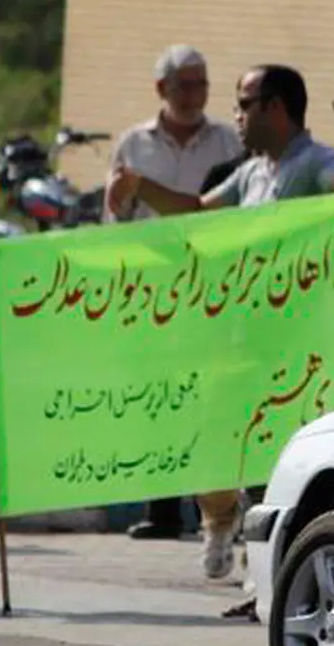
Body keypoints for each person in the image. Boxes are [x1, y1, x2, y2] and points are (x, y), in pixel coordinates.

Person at [107, 63, 334, 618]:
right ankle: (257, 577)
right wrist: (139, 188)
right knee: (241, 462)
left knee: (283, 474)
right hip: (243, 345)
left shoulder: (311, 163)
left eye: (245, 103)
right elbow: (195, 212)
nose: (235, 115)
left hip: (295, 356)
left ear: (276, 109)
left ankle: (278, 590)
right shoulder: (253, 173)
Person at [103, 44, 248, 582]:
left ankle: (220, 519)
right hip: (158, 294)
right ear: (161, 89)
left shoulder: (231, 142)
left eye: (202, 83)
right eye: (185, 84)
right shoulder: (133, 144)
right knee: (162, 397)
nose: (195, 94)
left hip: (218, 292)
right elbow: (115, 220)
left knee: (216, 402)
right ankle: (162, 507)